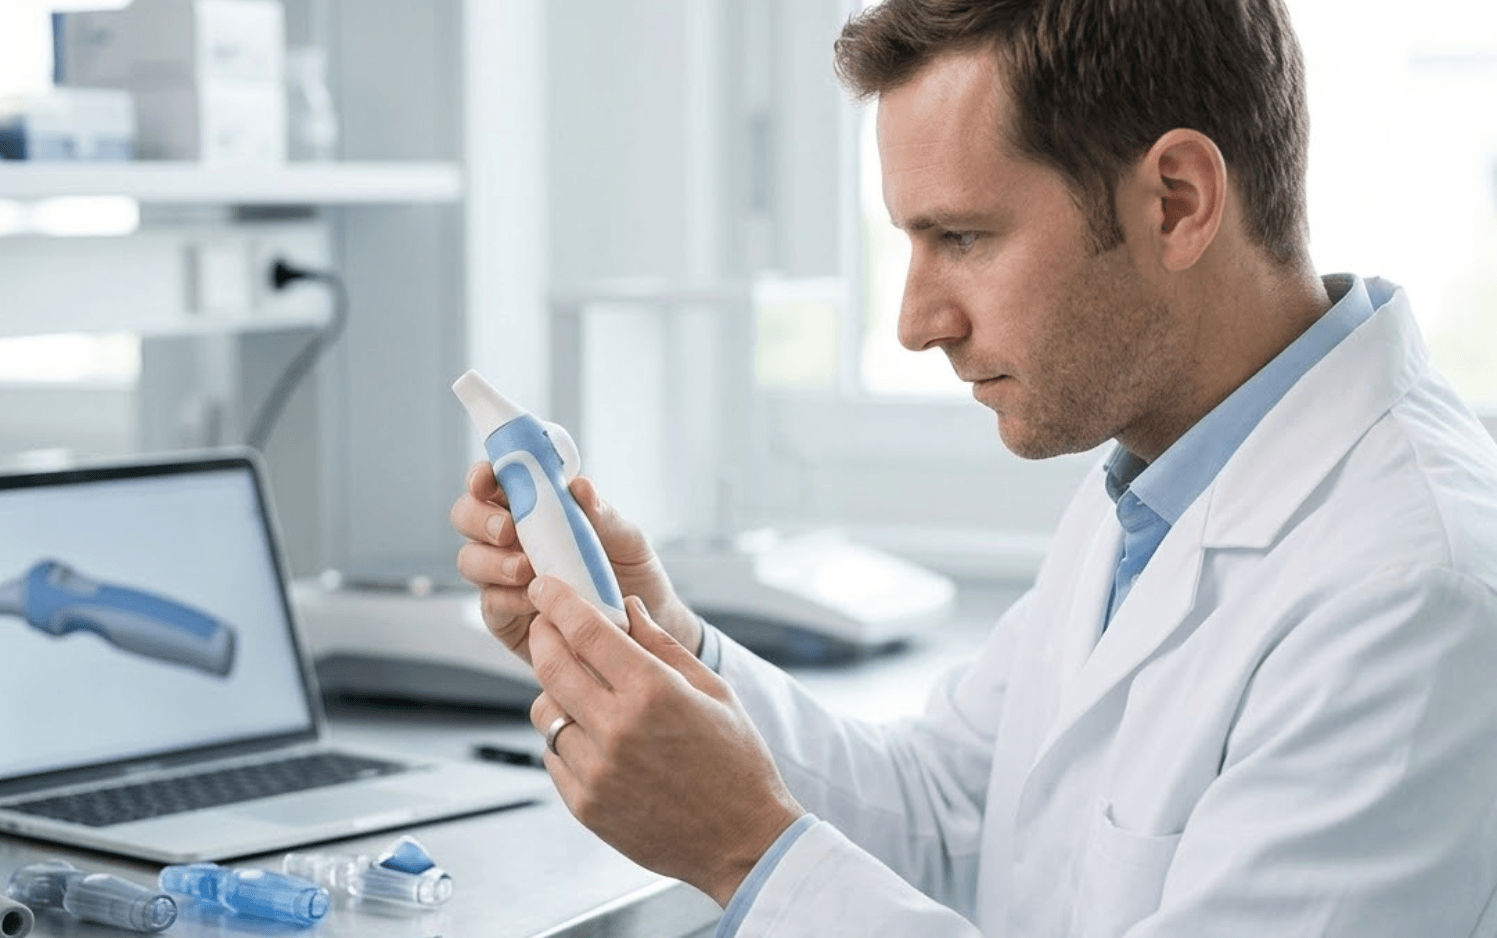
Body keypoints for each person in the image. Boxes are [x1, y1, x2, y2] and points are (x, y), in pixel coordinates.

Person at [450, 0, 1497, 934]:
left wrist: (747, 851)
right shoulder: (1160, 480)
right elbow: (945, 809)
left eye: (962, 236)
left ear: (1176, 200)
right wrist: (661, 643)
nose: (915, 322)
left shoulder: (1413, 592)